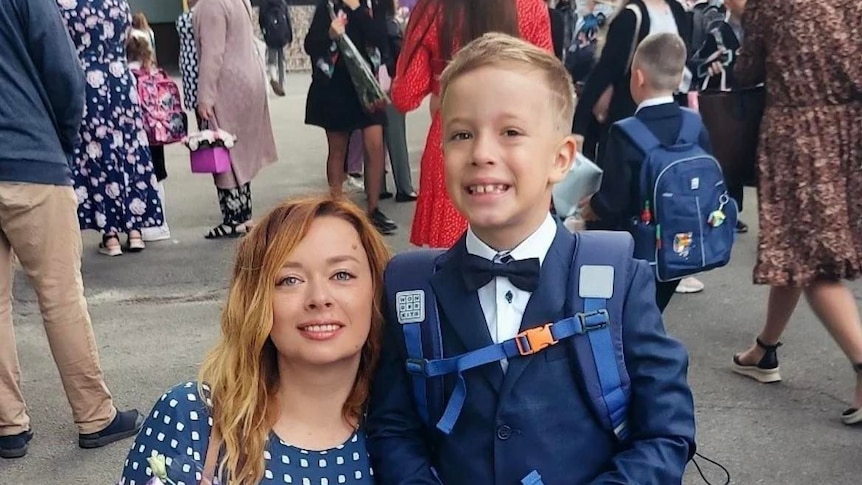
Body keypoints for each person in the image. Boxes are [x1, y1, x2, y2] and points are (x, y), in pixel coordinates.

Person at [366, 33, 695, 483]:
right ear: (440, 153)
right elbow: (393, 426)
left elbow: (666, 431)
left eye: (511, 132)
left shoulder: (619, 277)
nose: (482, 153)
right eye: (461, 133)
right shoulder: (409, 286)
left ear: (561, 159)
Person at [119, 197, 390, 484]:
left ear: (377, 290)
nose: (319, 298)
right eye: (290, 279)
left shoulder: (416, 429)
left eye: (342, 274)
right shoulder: (192, 421)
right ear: (255, 301)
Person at [0, 0, 143, 459]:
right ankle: (95, 415)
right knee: (60, 294)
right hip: (31, 155)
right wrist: (61, 139)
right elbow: (64, 72)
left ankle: (7, 424)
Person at [728, 0, 862, 426]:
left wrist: (743, 15)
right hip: (850, 132)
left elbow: (745, 72)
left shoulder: (775, 5)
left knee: (811, 262)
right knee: (793, 253)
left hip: (799, 138)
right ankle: (764, 349)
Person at [393, 0, 553, 248]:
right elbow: (547, 88)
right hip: (513, 139)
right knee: (516, 243)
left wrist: (442, 90)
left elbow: (404, 95)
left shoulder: (433, 8)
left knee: (449, 261)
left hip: (455, 139)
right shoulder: (530, 5)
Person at [581, 33, 712, 312]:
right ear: (679, 80)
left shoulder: (626, 132)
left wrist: (591, 206)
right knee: (652, 309)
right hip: (682, 245)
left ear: (637, 77)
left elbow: (613, 201)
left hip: (638, 248)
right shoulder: (693, 123)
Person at [58, 0, 164, 256]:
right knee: (128, 152)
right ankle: (135, 230)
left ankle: (111, 235)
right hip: (120, 80)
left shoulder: (67, 4)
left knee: (98, 152)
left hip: (88, 82)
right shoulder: (118, 3)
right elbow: (127, 38)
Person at [304, 0, 397, 236]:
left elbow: (380, 38)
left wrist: (357, 9)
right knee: (337, 149)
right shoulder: (328, 6)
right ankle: (336, 207)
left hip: (366, 84)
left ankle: (374, 209)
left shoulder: (372, 5)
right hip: (336, 85)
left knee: (375, 144)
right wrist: (329, 34)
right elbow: (310, 44)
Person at [195, 0, 278, 239]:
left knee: (221, 148)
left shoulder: (212, 4)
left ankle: (232, 218)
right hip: (249, 78)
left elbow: (212, 53)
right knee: (239, 150)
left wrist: (205, 97)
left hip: (226, 84)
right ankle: (244, 213)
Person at [126, 34, 175, 242]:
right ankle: (160, 223)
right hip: (156, 132)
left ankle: (139, 224)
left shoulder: (126, 75)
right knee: (158, 177)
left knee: (137, 179)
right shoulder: (154, 74)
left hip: (136, 136)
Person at [259, 0, 293, 97]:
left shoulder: (265, 3)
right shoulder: (282, 3)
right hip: (282, 36)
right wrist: (290, 36)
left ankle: (273, 78)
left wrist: (264, 32)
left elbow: (261, 20)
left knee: (271, 60)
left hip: (271, 36)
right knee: (282, 60)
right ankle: (282, 84)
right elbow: (288, 19)